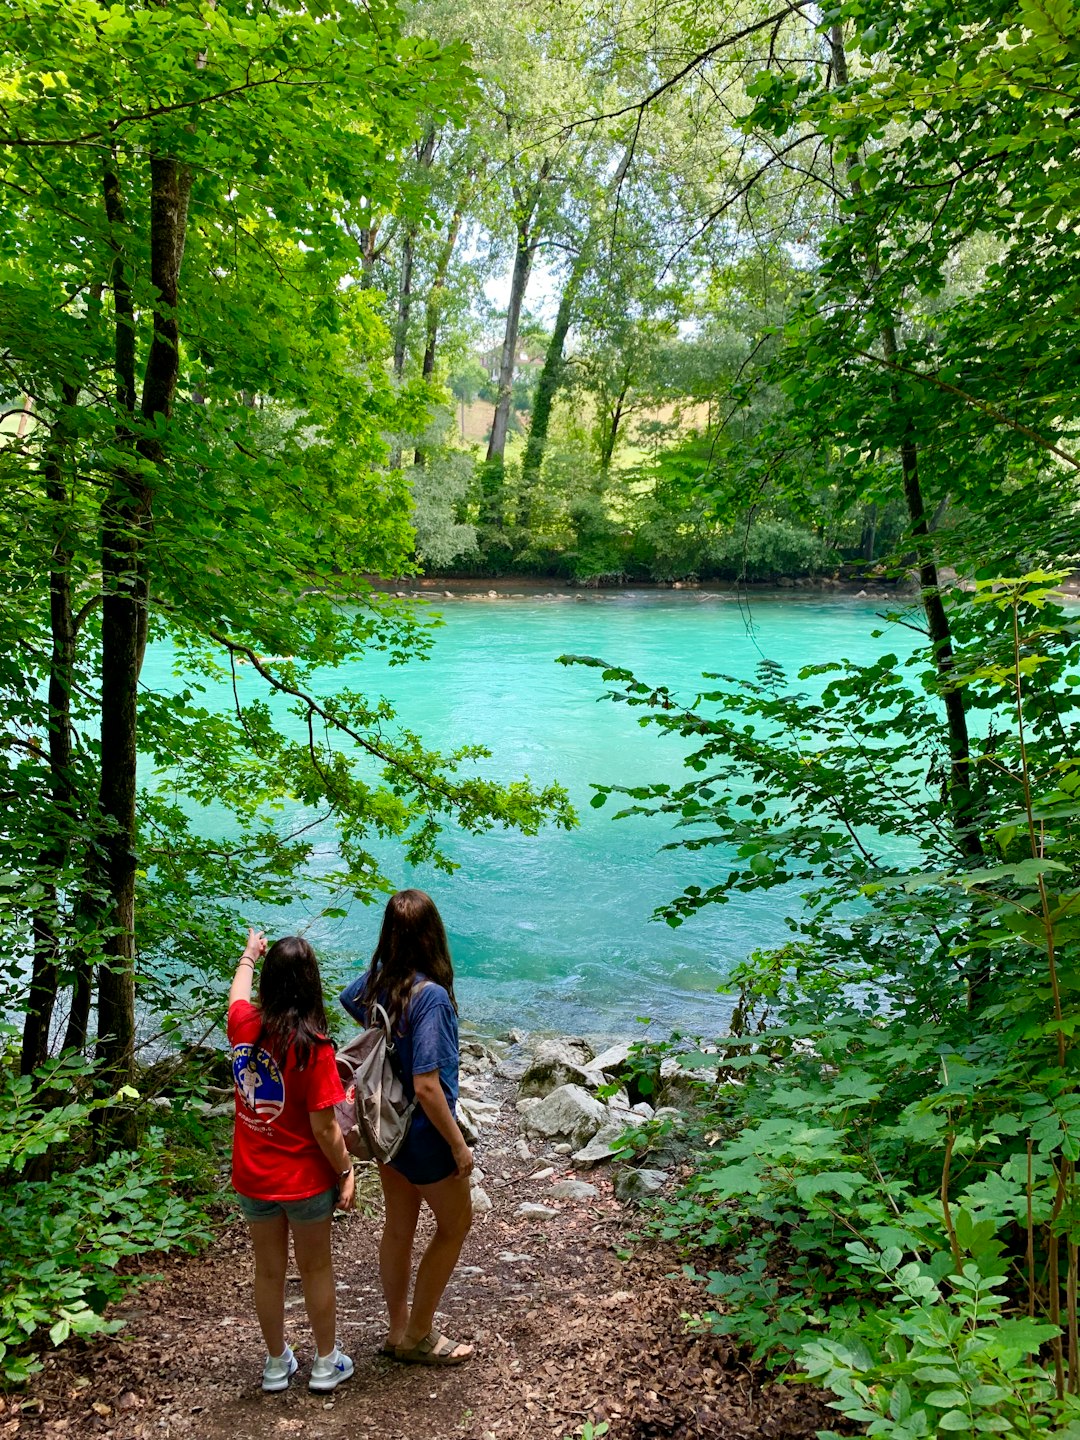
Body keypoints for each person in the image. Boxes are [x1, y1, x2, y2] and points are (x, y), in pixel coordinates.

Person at [340, 889, 475, 1366]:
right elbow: (429, 1086)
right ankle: (419, 1334)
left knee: (399, 1225)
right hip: (422, 1133)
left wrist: (390, 1038)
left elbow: (348, 998)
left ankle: (397, 1330)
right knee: (457, 1223)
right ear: (432, 935)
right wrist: (458, 1147)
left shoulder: (379, 984)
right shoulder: (431, 996)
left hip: (386, 1125)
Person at [227, 928, 357, 1393]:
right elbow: (325, 1128)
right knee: (317, 1270)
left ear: (270, 982)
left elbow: (237, 995)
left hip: (253, 1178)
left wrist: (248, 954)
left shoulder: (244, 1027)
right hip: (303, 1183)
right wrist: (345, 1171)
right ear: (310, 984)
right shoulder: (314, 1048)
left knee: (268, 1270)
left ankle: (277, 1363)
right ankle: (325, 1363)